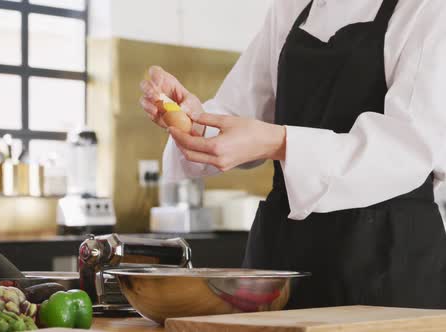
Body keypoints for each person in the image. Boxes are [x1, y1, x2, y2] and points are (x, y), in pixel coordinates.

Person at [139, 0, 446, 308]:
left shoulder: (428, 9)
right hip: (283, 257)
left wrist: (281, 143)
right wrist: (192, 121)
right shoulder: (290, 8)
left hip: (386, 262)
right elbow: (236, 111)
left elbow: (408, 150)